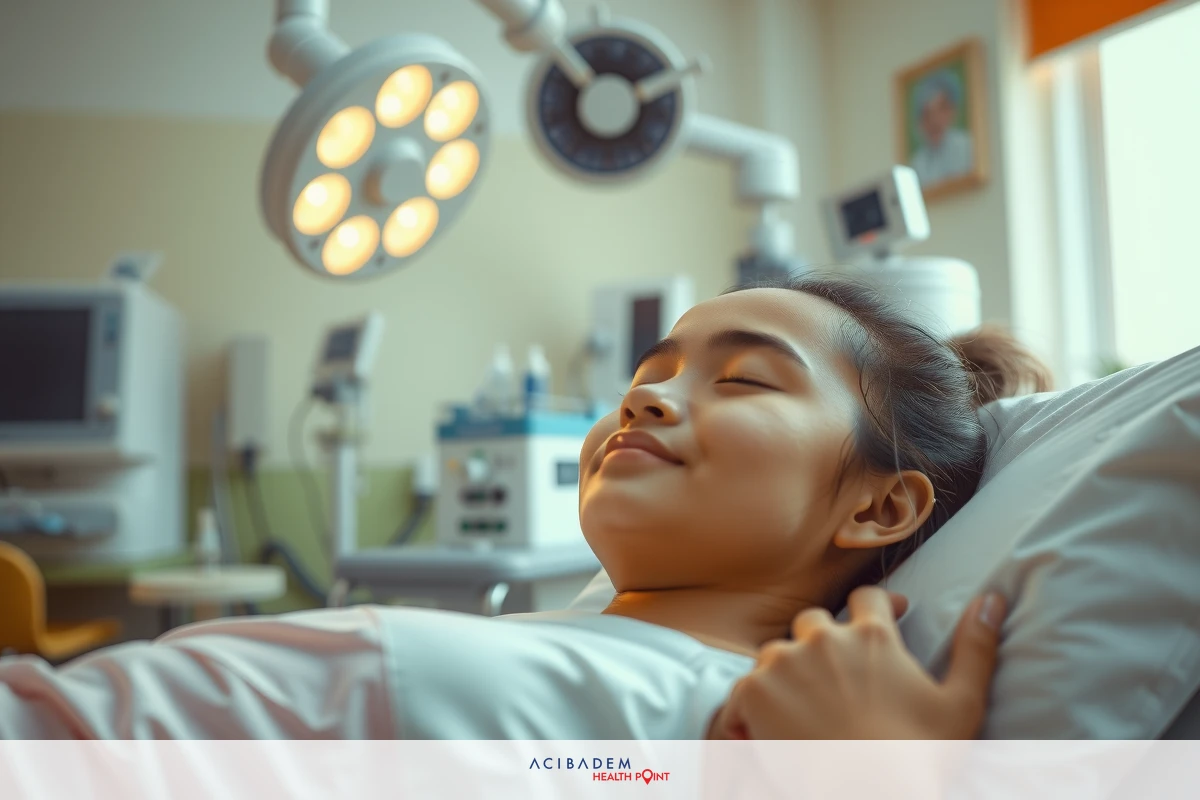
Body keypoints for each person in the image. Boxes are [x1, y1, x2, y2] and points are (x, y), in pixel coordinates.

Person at [0, 274, 1050, 740]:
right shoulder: (603, 682)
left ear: (879, 508)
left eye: (745, 381)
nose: (647, 393)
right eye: (656, 367)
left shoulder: (697, 731)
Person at [910, 70, 974, 187]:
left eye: (941, 109)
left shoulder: (967, 146)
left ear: (952, 111)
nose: (934, 121)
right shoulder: (917, 163)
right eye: (927, 114)